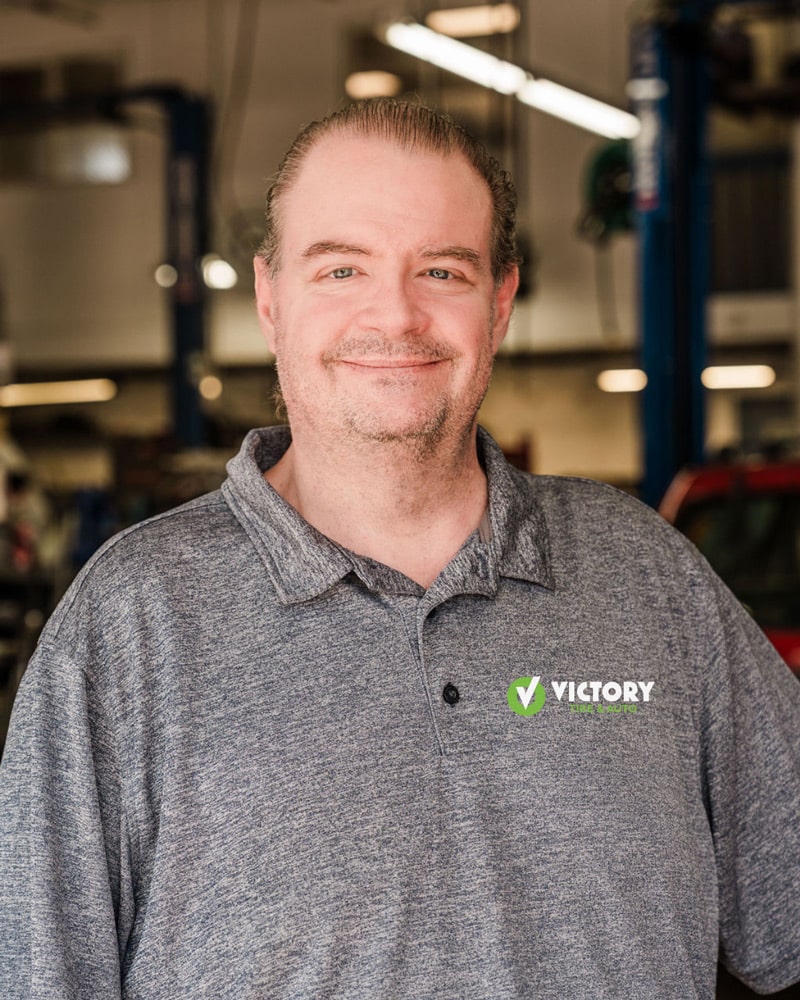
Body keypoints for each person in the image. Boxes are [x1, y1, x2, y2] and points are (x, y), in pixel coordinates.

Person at [1, 98, 799, 1000]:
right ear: (271, 300)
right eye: (341, 268)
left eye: (443, 272)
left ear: (500, 303)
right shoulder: (128, 629)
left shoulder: (645, 578)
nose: (396, 314)